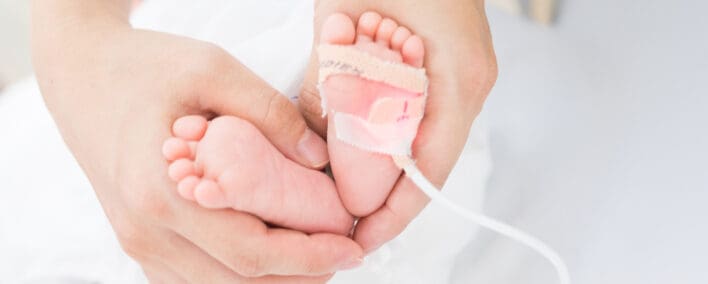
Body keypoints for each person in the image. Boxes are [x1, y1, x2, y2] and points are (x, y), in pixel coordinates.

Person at [31, 0, 497, 281]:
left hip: (187, 45)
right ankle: (355, 167)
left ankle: (310, 195)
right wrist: (75, 49)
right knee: (430, 151)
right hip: (150, 80)